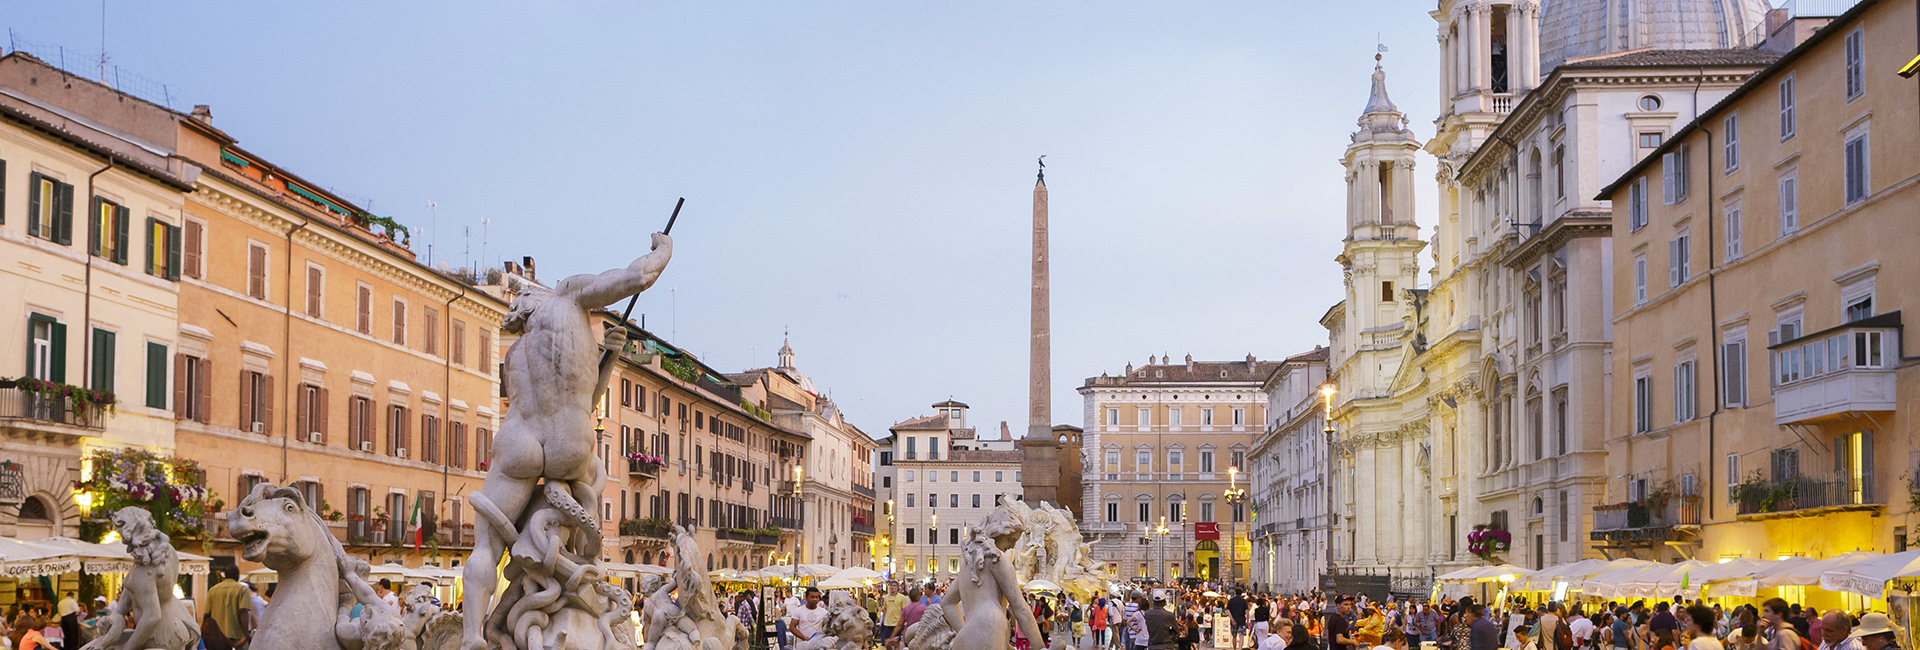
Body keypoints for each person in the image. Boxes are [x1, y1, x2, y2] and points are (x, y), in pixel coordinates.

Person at [207, 566, 254, 650]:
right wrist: (246, 635)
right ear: (237, 575)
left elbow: (206, 614)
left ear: (225, 575)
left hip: (216, 638)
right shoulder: (242, 589)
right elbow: (243, 611)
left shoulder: (212, 590)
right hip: (236, 639)